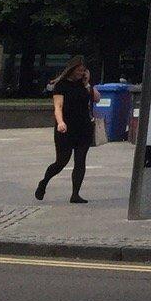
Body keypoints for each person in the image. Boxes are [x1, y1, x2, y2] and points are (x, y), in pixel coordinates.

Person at [35, 57, 98, 203]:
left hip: (84, 127)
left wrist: (87, 83)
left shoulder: (84, 85)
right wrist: (60, 122)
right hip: (66, 128)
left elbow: (97, 98)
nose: (81, 73)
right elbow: (58, 107)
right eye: (79, 70)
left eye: (83, 71)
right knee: (61, 161)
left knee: (80, 161)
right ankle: (43, 183)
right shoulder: (61, 85)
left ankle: (75, 194)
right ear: (72, 69)